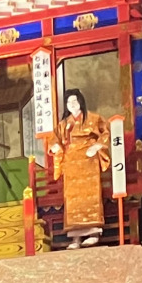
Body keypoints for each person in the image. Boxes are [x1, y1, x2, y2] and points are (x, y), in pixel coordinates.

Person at [50, 89, 108, 246]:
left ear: (81, 102)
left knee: (90, 197)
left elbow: (105, 133)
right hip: (71, 164)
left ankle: (94, 233)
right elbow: (55, 139)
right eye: (69, 102)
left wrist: (96, 146)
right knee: (73, 201)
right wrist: (55, 146)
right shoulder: (64, 124)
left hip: (88, 161)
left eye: (75, 101)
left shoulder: (93, 119)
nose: (72, 104)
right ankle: (76, 238)